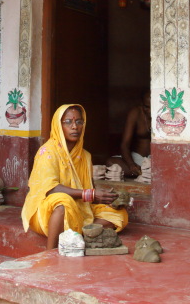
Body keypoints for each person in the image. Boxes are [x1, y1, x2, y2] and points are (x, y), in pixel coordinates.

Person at [21, 104, 128, 249]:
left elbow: (90, 191)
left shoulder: (85, 156)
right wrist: (89, 194)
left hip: (80, 206)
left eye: (79, 122)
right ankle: (50, 251)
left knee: (119, 215)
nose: (74, 127)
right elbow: (51, 189)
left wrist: (109, 199)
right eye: (68, 122)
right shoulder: (48, 152)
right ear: (58, 125)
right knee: (63, 202)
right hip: (47, 211)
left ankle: (79, 235)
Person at [106, 91, 151, 177]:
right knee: (111, 162)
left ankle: (146, 173)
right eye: (146, 107)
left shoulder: (165, 114)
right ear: (141, 104)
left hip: (156, 161)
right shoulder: (135, 113)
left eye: (153, 107)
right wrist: (131, 165)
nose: (150, 111)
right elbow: (124, 145)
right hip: (138, 160)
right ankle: (144, 173)